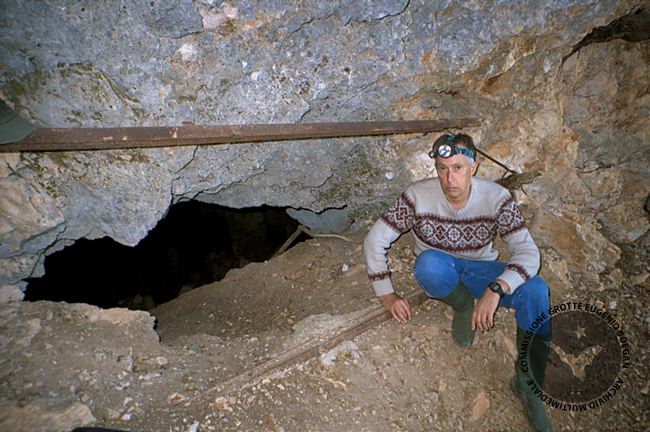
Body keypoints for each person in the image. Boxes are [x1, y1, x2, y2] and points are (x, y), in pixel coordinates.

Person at [363, 133, 552, 432]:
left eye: (458, 168)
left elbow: (528, 253)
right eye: (443, 168)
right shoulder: (417, 196)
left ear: (473, 167)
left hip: (482, 270)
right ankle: (462, 305)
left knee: (537, 290)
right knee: (428, 266)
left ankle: (528, 383)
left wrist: (497, 288)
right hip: (442, 269)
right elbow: (375, 240)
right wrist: (386, 294)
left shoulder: (497, 198)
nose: (450, 178)